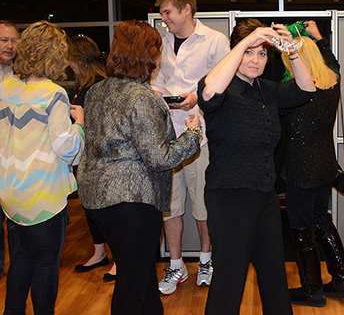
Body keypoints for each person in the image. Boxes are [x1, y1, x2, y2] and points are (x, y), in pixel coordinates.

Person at [78, 20, 202, 315]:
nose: (160, 57)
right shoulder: (142, 97)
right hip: (132, 203)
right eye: (157, 50)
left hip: (97, 200)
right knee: (132, 286)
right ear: (148, 55)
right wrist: (192, 135)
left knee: (142, 275)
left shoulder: (96, 91)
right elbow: (159, 158)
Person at [197, 19, 315, 315]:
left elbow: (306, 89)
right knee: (229, 280)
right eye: (249, 52)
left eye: (262, 54)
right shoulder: (222, 86)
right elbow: (208, 94)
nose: (255, 60)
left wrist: (292, 50)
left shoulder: (266, 90)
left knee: (274, 276)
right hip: (230, 196)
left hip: (264, 195)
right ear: (236, 51)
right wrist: (245, 43)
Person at [0, 20, 84, 315]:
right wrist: (80, 125)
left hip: (11, 195)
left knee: (21, 258)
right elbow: (66, 148)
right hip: (44, 196)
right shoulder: (53, 94)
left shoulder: (5, 88)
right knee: (46, 264)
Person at [151, 0, 229, 294]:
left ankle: (206, 261)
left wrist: (196, 98)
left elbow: (225, 85)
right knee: (170, 207)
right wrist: (161, 98)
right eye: (162, 14)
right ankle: (176, 265)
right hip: (167, 138)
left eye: (168, 12)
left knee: (202, 206)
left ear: (187, 10)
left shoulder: (215, 41)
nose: (164, 19)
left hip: (202, 137)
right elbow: (156, 81)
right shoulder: (161, 42)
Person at [279, 20, 344, 307]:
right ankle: (342, 280)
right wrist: (319, 39)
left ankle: (312, 290)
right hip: (325, 164)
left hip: (300, 168)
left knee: (301, 229)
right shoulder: (332, 81)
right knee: (322, 220)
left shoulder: (294, 92)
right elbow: (334, 63)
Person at [67, 36, 117, 281]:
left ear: (81, 59)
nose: (69, 64)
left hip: (98, 157)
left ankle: (118, 258)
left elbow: (105, 124)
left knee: (105, 210)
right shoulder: (79, 86)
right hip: (84, 157)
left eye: (71, 59)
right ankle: (99, 253)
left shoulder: (99, 86)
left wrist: (81, 118)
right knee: (89, 206)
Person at [0, 19, 19, 278]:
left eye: (14, 40)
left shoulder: (23, 72)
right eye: (4, 40)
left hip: (16, 158)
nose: (10, 46)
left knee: (16, 221)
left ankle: (18, 270)